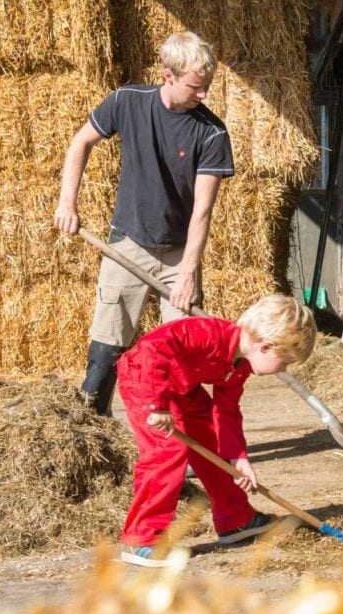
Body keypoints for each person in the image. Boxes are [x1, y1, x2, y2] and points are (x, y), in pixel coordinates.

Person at [53, 31, 233, 416]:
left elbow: (202, 211)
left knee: (184, 354)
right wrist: (68, 202)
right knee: (108, 340)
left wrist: (188, 273)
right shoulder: (127, 101)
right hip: (128, 243)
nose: (203, 95)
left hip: (177, 256)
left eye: (207, 87)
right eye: (195, 87)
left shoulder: (212, 132)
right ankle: (91, 428)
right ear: (168, 75)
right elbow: (79, 143)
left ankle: (184, 445)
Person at [116, 294, 317, 567]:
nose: (284, 368)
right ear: (267, 347)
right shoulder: (206, 333)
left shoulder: (240, 365)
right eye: (286, 362)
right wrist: (158, 405)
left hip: (183, 389)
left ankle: (236, 520)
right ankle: (141, 538)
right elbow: (152, 348)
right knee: (167, 452)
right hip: (145, 380)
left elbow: (227, 410)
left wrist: (239, 458)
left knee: (210, 442)